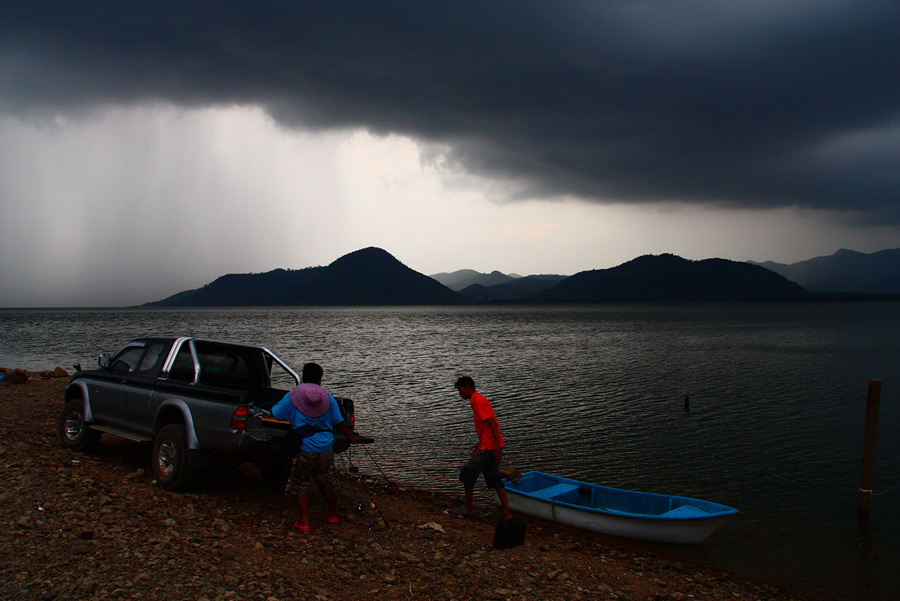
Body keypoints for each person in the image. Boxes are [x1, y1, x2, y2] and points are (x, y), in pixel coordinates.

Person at [272, 362, 355, 532]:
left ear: (303, 376)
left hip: (305, 446)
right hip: (325, 446)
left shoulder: (293, 395)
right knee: (328, 481)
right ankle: (332, 515)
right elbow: (339, 421)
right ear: (320, 379)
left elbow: (276, 414)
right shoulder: (327, 397)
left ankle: (305, 522)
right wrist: (348, 436)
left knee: (301, 482)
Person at [451, 376, 513, 519]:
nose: (460, 394)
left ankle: (467, 507)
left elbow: (493, 425)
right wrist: (481, 443)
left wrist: (497, 450)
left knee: (467, 472)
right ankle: (507, 513)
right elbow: (487, 427)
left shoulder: (479, 401)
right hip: (487, 445)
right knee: (494, 478)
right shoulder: (476, 401)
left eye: (461, 391)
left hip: (490, 448)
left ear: (468, 388)